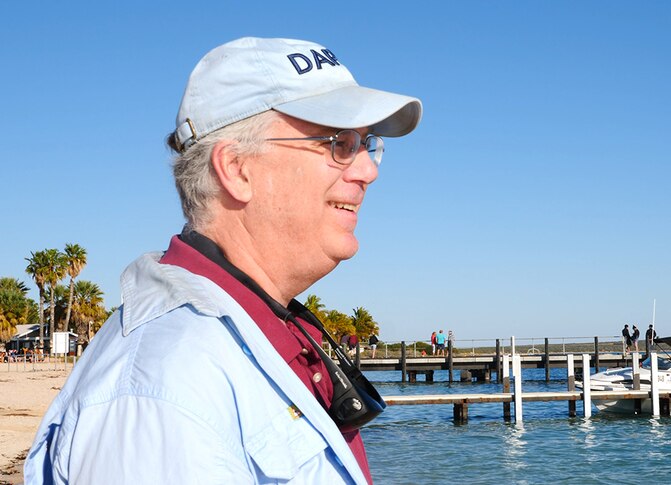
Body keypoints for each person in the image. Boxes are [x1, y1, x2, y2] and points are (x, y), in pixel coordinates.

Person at [25, 37, 422, 484]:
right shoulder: (165, 386)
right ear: (236, 169)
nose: (368, 170)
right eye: (338, 143)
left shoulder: (251, 332)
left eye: (366, 143)